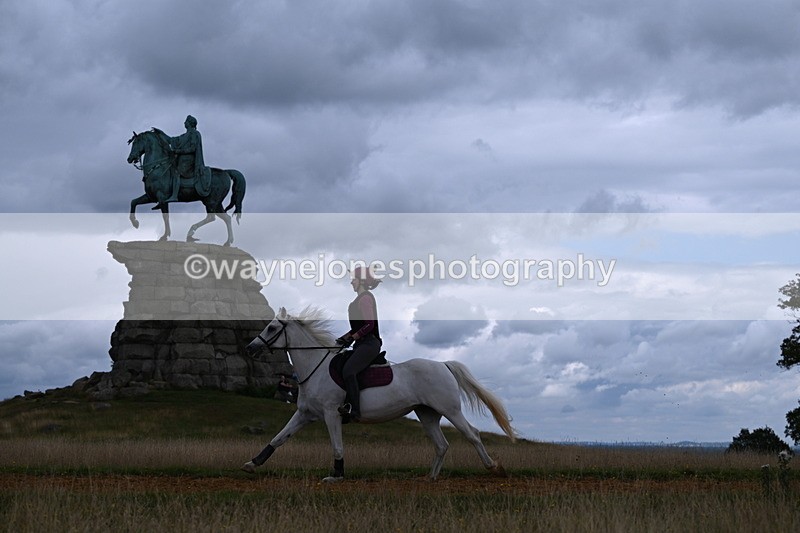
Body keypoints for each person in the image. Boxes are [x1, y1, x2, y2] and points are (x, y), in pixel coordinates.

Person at [335, 266, 382, 423]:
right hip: (361, 344)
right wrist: (342, 339)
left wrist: (353, 336)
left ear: (361, 281)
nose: (351, 283)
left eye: (353, 279)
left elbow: (369, 325)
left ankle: (353, 409)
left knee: (349, 371)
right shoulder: (355, 302)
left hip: (370, 344)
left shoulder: (365, 299)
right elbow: (356, 328)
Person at [153, 115, 209, 209]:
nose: (184, 123)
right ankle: (163, 196)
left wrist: (179, 151)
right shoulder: (185, 135)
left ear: (190, 123)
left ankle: (174, 195)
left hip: (189, 161)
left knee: (176, 172)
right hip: (181, 160)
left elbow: (193, 148)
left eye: (186, 121)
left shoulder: (194, 134)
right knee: (168, 170)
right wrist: (161, 133)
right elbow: (171, 140)